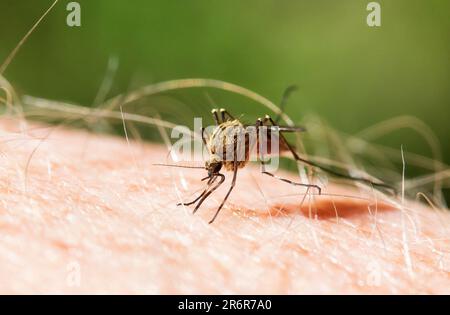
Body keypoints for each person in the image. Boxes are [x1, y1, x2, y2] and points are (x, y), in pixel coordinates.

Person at [0, 116, 449, 294]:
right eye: (209, 172)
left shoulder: (229, 154)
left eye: (210, 173)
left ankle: (301, 156)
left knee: (244, 159)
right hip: (241, 137)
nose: (210, 176)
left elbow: (230, 177)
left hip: (255, 136)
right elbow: (222, 168)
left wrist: (209, 204)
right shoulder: (215, 151)